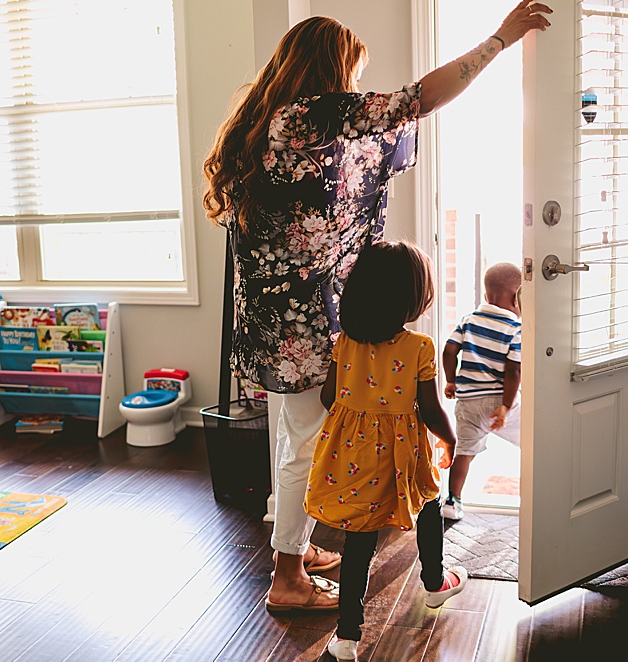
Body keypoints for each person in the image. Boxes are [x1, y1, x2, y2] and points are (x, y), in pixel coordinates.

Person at [202, 1, 550, 613]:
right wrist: (501, 38)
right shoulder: (317, 113)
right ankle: (287, 577)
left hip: (271, 315)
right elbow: (421, 97)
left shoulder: (270, 122)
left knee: (292, 436)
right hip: (304, 323)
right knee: (309, 443)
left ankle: (296, 544)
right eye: (354, 72)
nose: (357, 87)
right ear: (332, 67)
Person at [304, 242, 465, 660]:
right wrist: (449, 439)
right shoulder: (419, 347)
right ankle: (434, 584)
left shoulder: (345, 342)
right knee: (428, 503)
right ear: (411, 298)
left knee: (358, 541)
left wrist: (357, 419)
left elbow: (328, 396)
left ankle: (346, 638)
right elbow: (430, 409)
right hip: (405, 450)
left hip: (353, 453)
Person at [441, 262, 523, 521]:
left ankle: (452, 502)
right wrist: (506, 406)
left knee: (464, 451)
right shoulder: (514, 329)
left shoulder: (469, 320)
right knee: (533, 441)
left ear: (487, 296)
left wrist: (451, 381)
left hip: (469, 402)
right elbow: (513, 371)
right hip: (499, 400)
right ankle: (537, 492)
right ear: (515, 298)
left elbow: (449, 350)